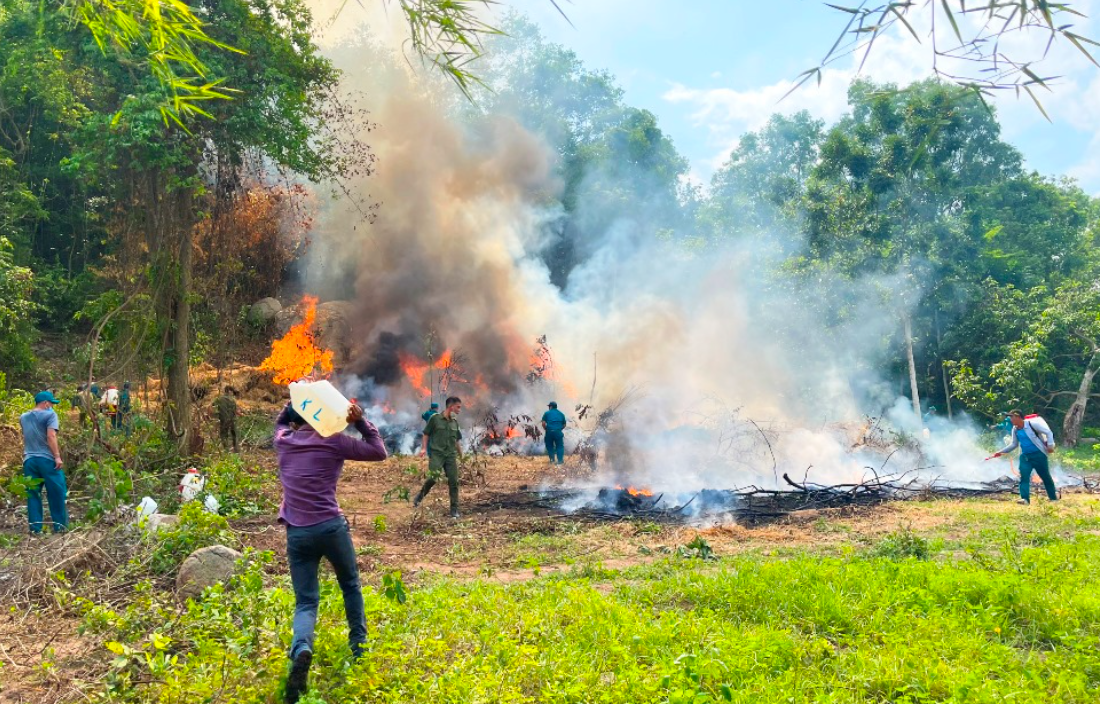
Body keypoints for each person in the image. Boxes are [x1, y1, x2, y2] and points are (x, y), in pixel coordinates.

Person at [273, 397, 387, 704]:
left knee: (306, 601)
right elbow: (379, 451)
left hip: (298, 532)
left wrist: (292, 402)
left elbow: (281, 423)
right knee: (350, 585)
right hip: (331, 528)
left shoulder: (284, 441)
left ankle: (301, 649)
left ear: (297, 421)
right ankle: (359, 648)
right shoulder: (334, 441)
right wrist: (359, 421)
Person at [20, 391, 68, 533]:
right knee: (57, 492)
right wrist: (57, 456)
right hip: (47, 460)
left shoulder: (23, 417)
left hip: (29, 460)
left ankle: (35, 529)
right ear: (46, 403)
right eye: (51, 403)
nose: (52, 406)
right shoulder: (50, 414)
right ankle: (60, 527)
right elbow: (51, 435)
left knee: (33, 494)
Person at [991, 410, 1057, 505]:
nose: (1010, 419)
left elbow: (1049, 432)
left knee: (1045, 477)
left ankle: (1053, 498)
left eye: (1012, 417)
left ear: (1018, 417)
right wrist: (1000, 452)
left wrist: (1050, 446)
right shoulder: (1015, 429)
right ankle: (1025, 499)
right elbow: (1014, 444)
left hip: (1039, 455)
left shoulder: (1031, 425)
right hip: (1025, 457)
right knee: (1024, 477)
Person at [414, 396, 463, 518]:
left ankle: (454, 510)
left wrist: (461, 455)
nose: (459, 410)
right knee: (434, 477)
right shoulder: (434, 419)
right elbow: (426, 434)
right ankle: (421, 495)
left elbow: (456, 440)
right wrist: (424, 448)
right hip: (437, 454)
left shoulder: (455, 422)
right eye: (458, 407)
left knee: (454, 481)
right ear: (451, 406)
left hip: (450, 456)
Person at [213, 386, 240, 452]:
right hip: (233, 420)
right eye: (232, 392)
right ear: (229, 391)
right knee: (234, 434)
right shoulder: (233, 400)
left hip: (224, 420)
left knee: (224, 435)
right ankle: (236, 450)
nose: (233, 393)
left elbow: (212, 406)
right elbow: (235, 410)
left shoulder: (219, 399)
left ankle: (226, 450)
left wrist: (216, 415)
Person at [541, 401, 567, 465]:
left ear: (551, 406)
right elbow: (564, 424)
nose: (549, 407)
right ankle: (560, 461)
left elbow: (543, 423)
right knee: (559, 446)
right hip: (558, 432)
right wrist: (559, 429)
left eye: (549, 406)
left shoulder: (546, 413)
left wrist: (546, 429)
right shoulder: (561, 414)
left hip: (549, 432)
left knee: (549, 446)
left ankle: (552, 460)